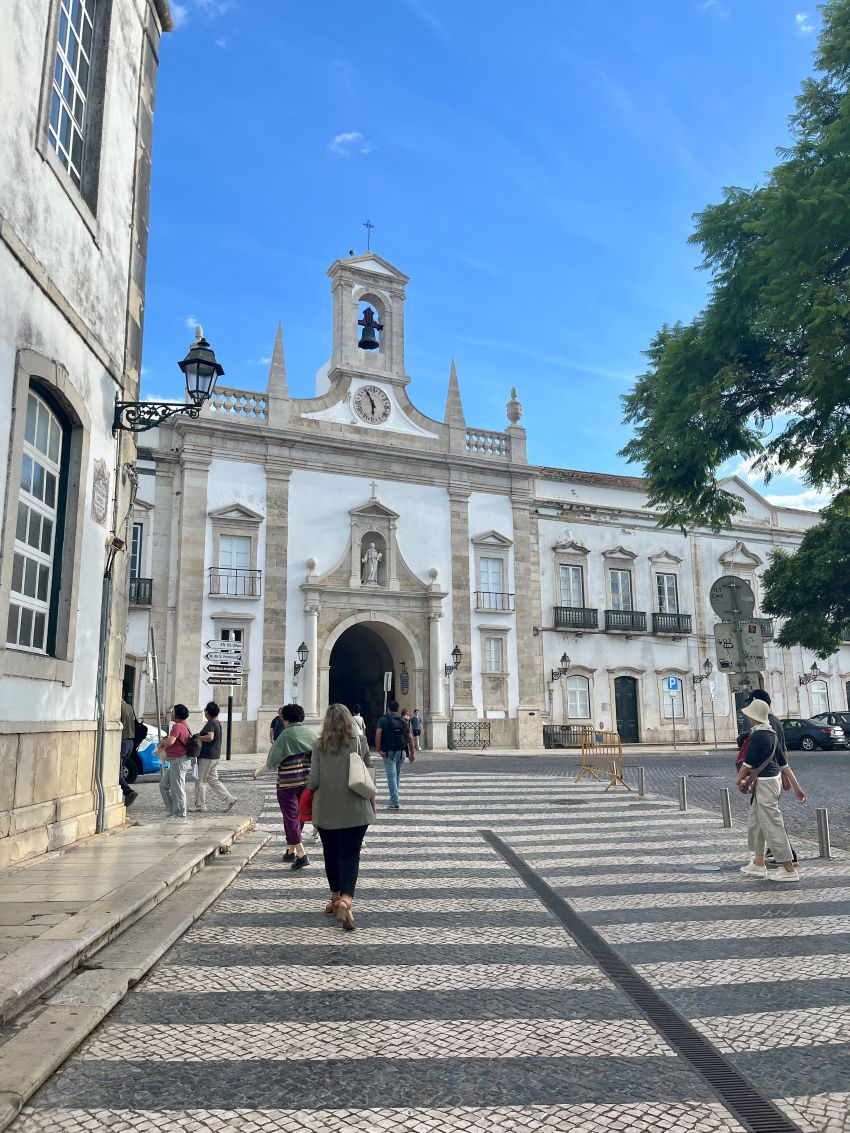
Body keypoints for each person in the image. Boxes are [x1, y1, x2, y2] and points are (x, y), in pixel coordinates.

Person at [307, 703, 373, 930]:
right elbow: (369, 775)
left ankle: (335, 898)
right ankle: (347, 900)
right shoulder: (359, 742)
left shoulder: (317, 746)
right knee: (351, 855)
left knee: (331, 854)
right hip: (356, 809)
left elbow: (313, 781)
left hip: (326, 810)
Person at [736, 698, 806, 882]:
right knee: (756, 821)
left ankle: (789, 868)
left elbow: (747, 765)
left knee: (773, 824)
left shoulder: (758, 736)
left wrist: (738, 780)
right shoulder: (772, 734)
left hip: (765, 783)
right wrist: (797, 788)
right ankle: (759, 863)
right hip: (771, 781)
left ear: (754, 717)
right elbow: (784, 765)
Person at [254, 703, 317, 869]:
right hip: (307, 782)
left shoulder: (285, 736)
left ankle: (301, 854)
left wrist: (257, 773)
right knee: (299, 815)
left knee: (290, 817)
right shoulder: (311, 734)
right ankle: (291, 851)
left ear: (285, 719)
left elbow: (272, 761)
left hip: (288, 784)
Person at [746, 689, 798, 865]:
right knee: (759, 818)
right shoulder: (773, 722)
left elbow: (778, 751)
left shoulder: (768, 725)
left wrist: (784, 775)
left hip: (766, 778)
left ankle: (788, 857)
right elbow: (783, 750)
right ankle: (759, 860)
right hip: (767, 776)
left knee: (770, 818)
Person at [193, 702, 238, 814]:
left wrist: (198, 737)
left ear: (207, 712)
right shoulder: (217, 722)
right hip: (215, 756)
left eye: (205, 710)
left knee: (201, 780)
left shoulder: (211, 723)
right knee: (212, 779)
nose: (204, 711)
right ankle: (229, 799)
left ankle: (200, 805)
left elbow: (210, 737)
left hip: (207, 756)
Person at [375, 699, 413, 810]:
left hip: (389, 752)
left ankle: (395, 801)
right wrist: (412, 753)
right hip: (401, 752)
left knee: (391, 776)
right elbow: (410, 738)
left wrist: (378, 749)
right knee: (396, 775)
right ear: (397, 709)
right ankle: (393, 797)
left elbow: (378, 734)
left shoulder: (383, 720)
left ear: (388, 709)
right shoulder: (403, 720)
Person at [157, 704, 192, 820]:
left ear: (177, 714)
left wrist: (162, 742)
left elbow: (171, 742)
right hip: (176, 761)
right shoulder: (184, 725)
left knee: (177, 788)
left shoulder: (177, 726)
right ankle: (173, 810)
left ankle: (181, 814)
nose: (171, 713)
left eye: (173, 712)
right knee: (164, 785)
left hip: (179, 761)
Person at [118, 692, 139, 809]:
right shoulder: (129, 706)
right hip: (130, 741)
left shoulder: (118, 707)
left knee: (114, 772)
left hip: (123, 740)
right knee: (117, 769)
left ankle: (128, 792)